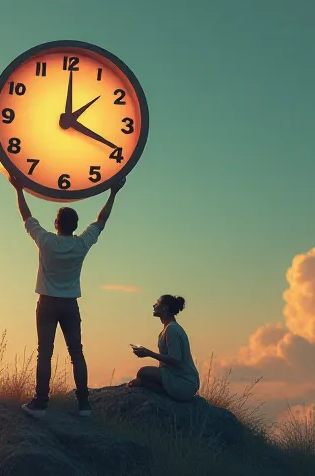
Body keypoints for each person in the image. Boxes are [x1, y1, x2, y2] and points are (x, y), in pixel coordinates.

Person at [10, 174, 126, 418]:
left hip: (47, 303)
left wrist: (18, 190)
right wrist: (113, 192)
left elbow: (26, 217)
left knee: (45, 352)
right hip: (70, 305)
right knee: (77, 353)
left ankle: (40, 403)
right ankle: (84, 404)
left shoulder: (46, 241)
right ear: (75, 225)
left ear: (56, 223)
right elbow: (101, 220)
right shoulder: (81, 244)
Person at [129, 295, 200, 402]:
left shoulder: (172, 329)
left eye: (157, 303)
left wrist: (148, 353)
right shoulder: (168, 328)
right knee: (143, 376)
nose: (154, 306)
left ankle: (154, 387)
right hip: (178, 378)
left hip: (185, 382)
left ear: (165, 308)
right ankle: (145, 384)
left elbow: (175, 359)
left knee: (143, 372)